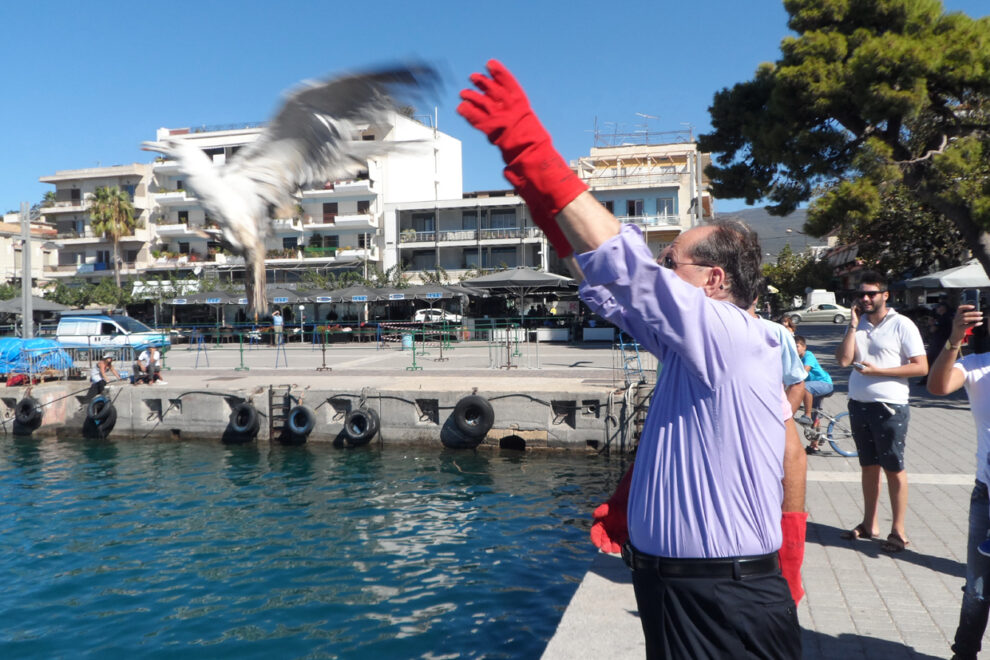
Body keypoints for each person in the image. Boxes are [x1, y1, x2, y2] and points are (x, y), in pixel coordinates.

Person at [459, 59, 801, 658]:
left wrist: (534, 148)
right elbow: (603, 280)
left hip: (722, 598)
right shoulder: (701, 349)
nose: (662, 272)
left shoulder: (731, 336)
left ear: (715, 281)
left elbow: (626, 269)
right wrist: (539, 193)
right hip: (687, 589)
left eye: (674, 263)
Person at [835, 270, 927, 553]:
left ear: (885, 295)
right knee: (868, 466)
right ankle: (868, 523)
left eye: (871, 293)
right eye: (860, 294)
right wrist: (852, 326)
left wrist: (879, 371)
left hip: (890, 406)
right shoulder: (858, 324)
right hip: (859, 403)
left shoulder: (902, 325)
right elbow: (843, 360)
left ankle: (898, 530)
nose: (864, 298)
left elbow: (921, 367)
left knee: (893, 467)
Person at [925, 303, 989, 659]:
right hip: (987, 494)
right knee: (978, 589)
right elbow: (936, 386)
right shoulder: (977, 365)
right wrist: (954, 338)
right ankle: (964, 653)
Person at [794, 334, 835, 453]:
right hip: (815, 388)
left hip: (825, 385)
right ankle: (814, 444)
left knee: (805, 388)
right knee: (815, 414)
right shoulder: (796, 359)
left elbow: (804, 372)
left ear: (804, 347)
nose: (795, 349)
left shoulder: (808, 355)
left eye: (797, 346)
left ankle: (806, 415)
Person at [920, 302, 953, 386]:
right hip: (941, 342)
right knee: (936, 361)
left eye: (938, 307)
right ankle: (931, 379)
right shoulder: (944, 317)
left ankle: (929, 379)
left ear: (943, 308)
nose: (937, 309)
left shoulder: (944, 318)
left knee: (932, 360)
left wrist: (932, 323)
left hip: (940, 343)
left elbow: (933, 329)